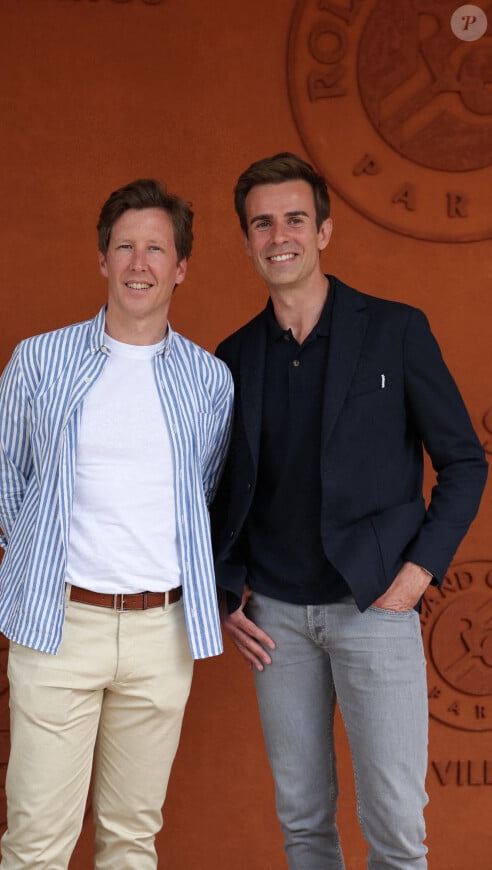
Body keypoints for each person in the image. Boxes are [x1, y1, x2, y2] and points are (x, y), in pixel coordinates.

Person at [211, 152, 487, 869]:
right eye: (262, 223)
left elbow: (465, 461)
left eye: (295, 219)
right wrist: (222, 595)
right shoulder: (233, 358)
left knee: (395, 827)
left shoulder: (396, 330)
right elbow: (212, 492)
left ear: (324, 231)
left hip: (376, 607)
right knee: (303, 824)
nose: (280, 236)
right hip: (275, 622)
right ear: (245, 241)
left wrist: (420, 573)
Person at [0, 178, 233, 870]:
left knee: (131, 843)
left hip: (162, 635)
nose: (138, 263)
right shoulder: (39, 361)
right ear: (102, 259)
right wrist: (43, 563)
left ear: (180, 267)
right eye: (125, 246)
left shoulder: (209, 380)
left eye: (156, 248)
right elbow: (9, 480)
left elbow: (203, 493)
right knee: (36, 845)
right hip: (60, 627)